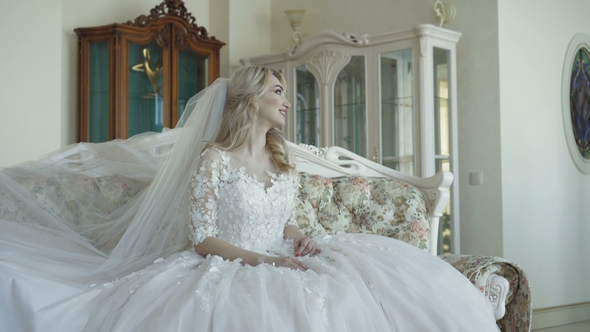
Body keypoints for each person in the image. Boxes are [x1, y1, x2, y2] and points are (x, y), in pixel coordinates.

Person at [0, 66, 500, 331]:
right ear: (250, 101)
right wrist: (265, 262)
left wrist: (300, 236)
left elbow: (281, 221)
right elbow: (202, 240)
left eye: (284, 93)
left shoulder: (284, 160)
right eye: (277, 91)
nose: (286, 101)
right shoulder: (213, 160)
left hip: (280, 254)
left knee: (367, 287)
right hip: (229, 264)